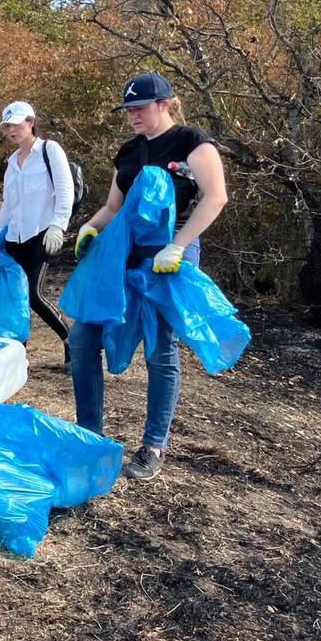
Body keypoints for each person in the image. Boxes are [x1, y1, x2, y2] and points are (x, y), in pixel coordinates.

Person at [69, 73, 228, 481]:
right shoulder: (128, 151)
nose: (133, 116)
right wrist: (90, 228)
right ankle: (89, 434)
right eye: (129, 110)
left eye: (140, 108)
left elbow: (215, 197)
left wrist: (178, 245)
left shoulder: (192, 142)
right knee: (84, 336)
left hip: (171, 258)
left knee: (160, 349)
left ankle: (153, 445)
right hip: (124, 257)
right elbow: (113, 206)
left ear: (166, 103)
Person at [0, 100, 75, 367]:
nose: (11, 131)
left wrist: (58, 226)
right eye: (7, 126)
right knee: (16, 298)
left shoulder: (49, 151)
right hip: (14, 237)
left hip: (41, 234)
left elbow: (65, 191)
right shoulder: (12, 162)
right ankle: (18, 356)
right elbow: (8, 203)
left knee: (32, 294)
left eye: (16, 124)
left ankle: (71, 339)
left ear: (30, 122)